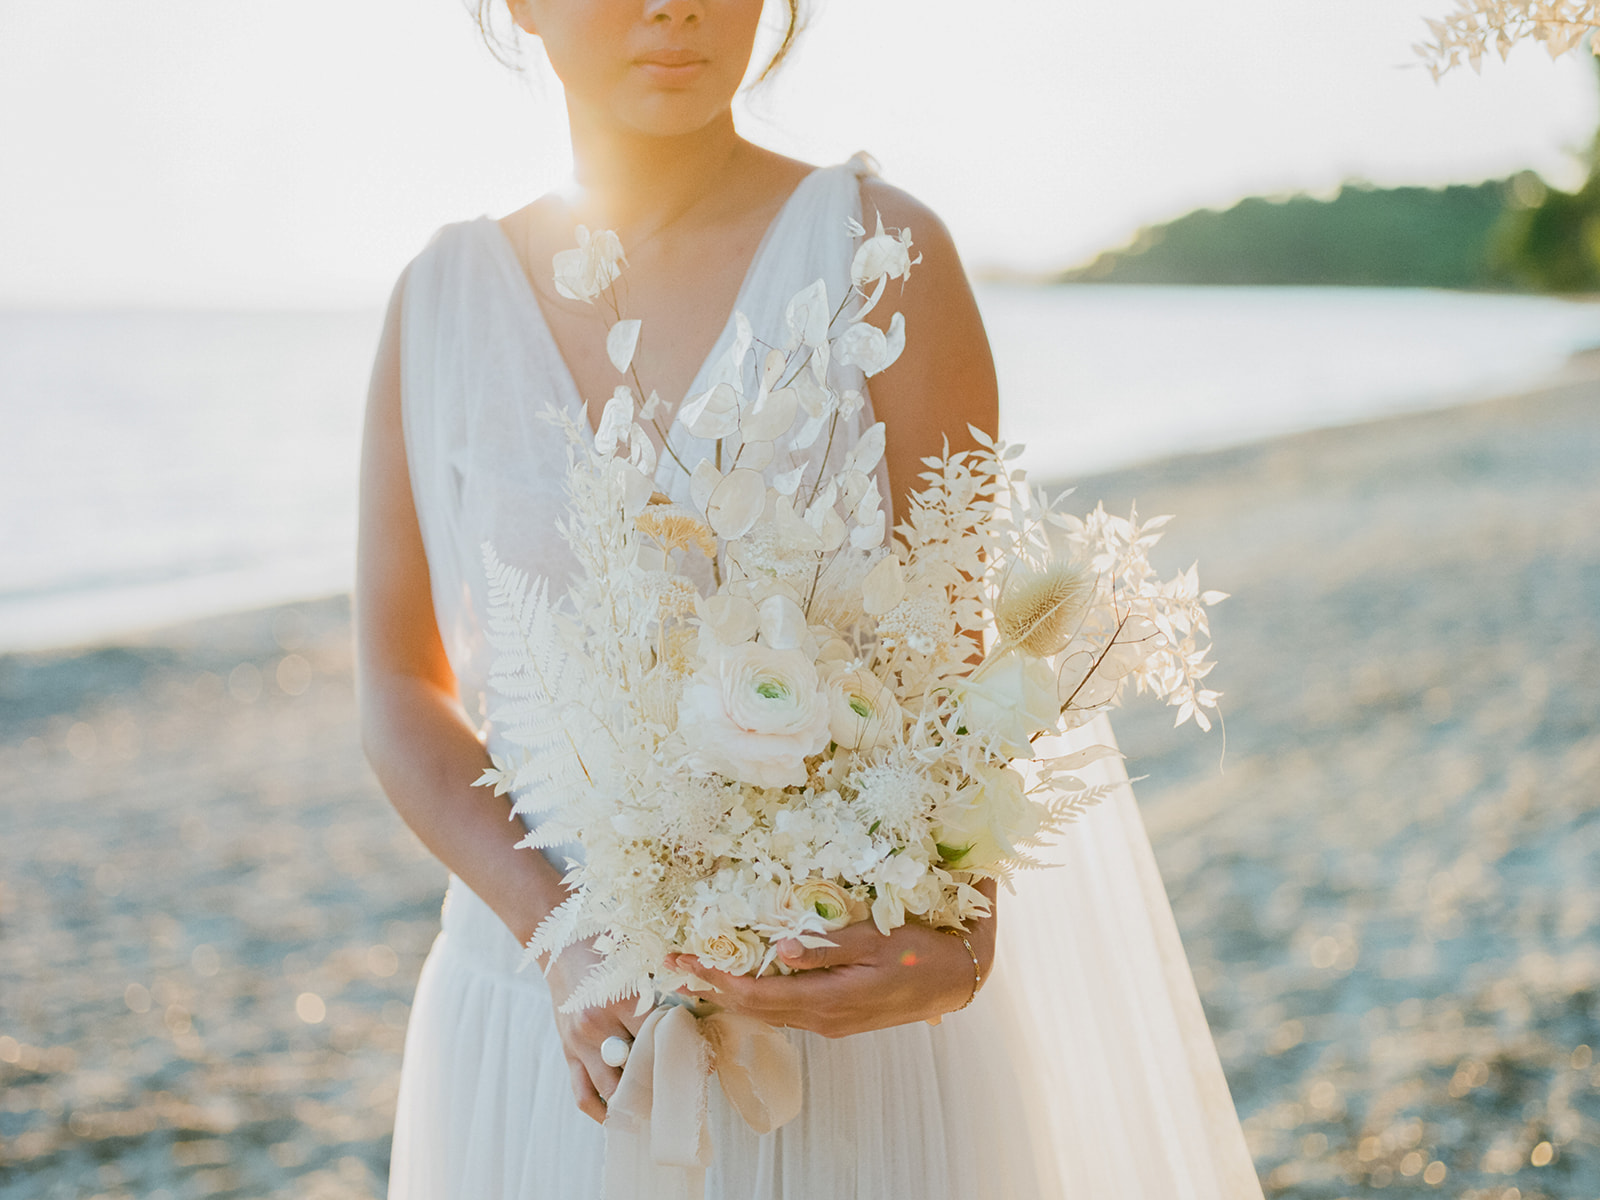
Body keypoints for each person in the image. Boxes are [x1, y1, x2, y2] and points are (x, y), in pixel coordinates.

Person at [356, 2, 1264, 1196]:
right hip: (547, 1020)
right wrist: (562, 934)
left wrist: (959, 923)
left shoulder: (888, 259)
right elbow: (397, 686)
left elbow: (956, 695)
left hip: (839, 1028)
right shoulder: (439, 303)